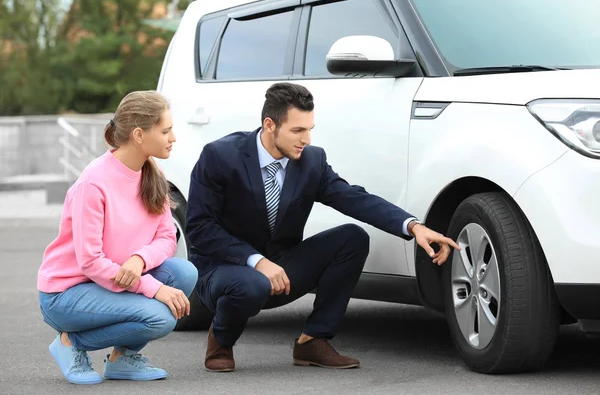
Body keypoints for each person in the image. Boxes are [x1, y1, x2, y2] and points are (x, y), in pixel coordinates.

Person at [186, 82, 460, 372]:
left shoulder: (311, 161)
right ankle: (222, 340)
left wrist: (414, 226)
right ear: (269, 125)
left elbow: (354, 198)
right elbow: (200, 228)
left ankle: (313, 341)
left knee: (352, 238)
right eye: (297, 130)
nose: (306, 139)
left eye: (309, 129)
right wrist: (256, 261)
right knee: (251, 284)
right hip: (224, 272)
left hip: (283, 270)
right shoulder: (220, 156)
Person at [37, 91, 198, 385]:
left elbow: (166, 235)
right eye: (165, 130)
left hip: (117, 279)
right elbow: (90, 262)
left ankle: (122, 358)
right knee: (161, 317)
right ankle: (70, 343)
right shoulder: (94, 182)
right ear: (139, 134)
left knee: (184, 273)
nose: (173, 137)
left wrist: (139, 259)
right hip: (68, 293)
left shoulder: (153, 172)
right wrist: (151, 287)